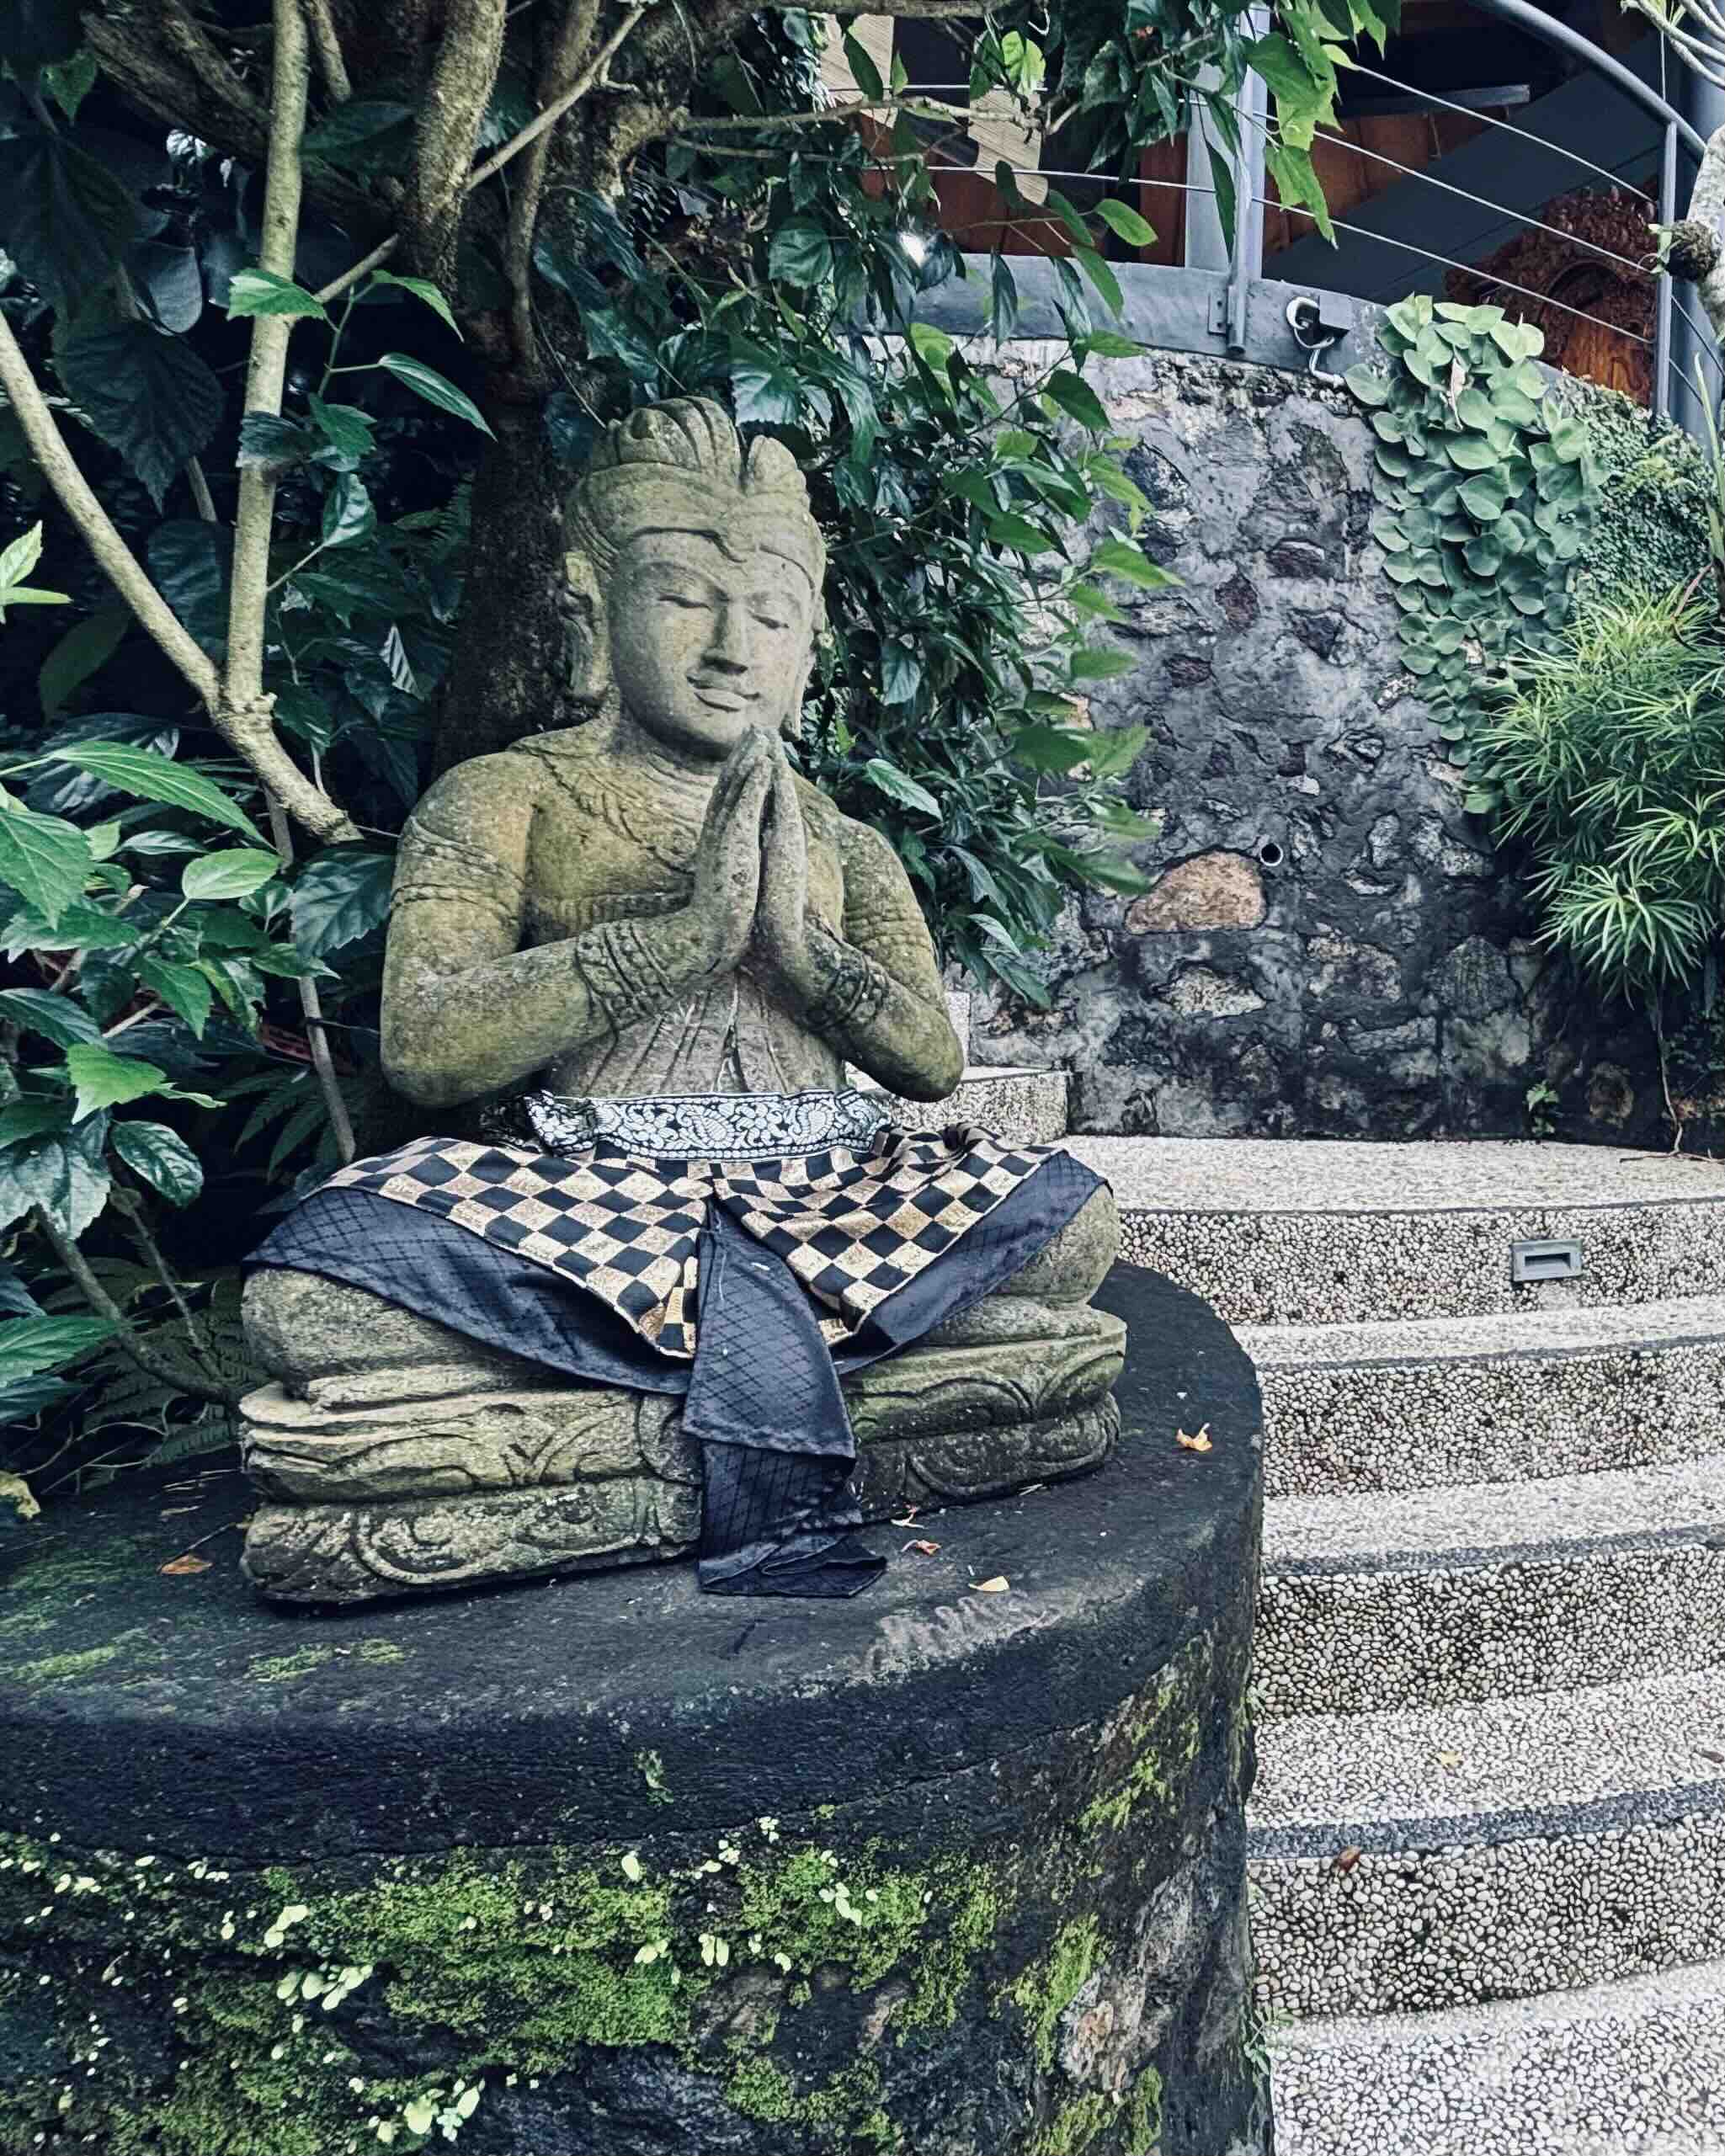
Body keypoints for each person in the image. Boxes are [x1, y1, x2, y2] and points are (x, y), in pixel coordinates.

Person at [244, 397, 1119, 1600]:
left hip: (821, 1197)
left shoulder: (842, 840)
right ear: (592, 611)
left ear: (807, 643)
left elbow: (928, 1062)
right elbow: (428, 1046)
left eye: (769, 614)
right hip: (585, 1197)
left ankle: (601, 1421)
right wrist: (685, 940)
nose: (730, 649)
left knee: (1071, 1223)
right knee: (311, 1296)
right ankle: (829, 1391)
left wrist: (797, 957)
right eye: (682, 599)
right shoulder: (502, 798)